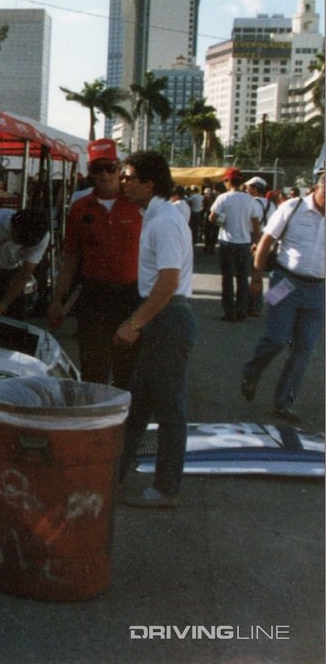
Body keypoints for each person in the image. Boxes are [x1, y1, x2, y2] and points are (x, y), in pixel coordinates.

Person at [115, 151, 196, 509]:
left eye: (129, 177)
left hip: (167, 318)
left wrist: (135, 323)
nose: (123, 183)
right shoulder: (157, 216)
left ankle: (166, 489)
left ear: (149, 184)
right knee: (139, 406)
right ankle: (113, 477)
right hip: (164, 318)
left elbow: (168, 282)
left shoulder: (164, 221)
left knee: (168, 410)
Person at [47, 139, 141, 390]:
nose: (105, 175)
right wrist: (58, 298)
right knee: (93, 372)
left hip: (132, 297)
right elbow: (70, 258)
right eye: (98, 169)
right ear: (89, 171)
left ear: (119, 168)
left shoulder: (139, 204)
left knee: (126, 372)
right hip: (94, 297)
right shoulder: (79, 207)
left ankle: (123, 416)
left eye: (110, 168)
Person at [239, 169, 325, 423]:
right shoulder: (292, 207)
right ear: (318, 188)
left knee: (303, 349)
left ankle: (283, 403)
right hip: (284, 282)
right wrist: (256, 277)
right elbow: (266, 242)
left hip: (318, 290)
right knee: (276, 338)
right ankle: (252, 371)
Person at [0, 205, 50, 318]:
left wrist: (4, 303)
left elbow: (25, 273)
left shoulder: (42, 237)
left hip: (12, 274)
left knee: (13, 315)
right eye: (18, 239)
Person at [208, 168, 262, 321]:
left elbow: (212, 217)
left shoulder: (223, 198)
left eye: (225, 181)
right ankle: (242, 309)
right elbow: (256, 222)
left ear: (228, 181)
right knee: (242, 278)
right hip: (245, 243)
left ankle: (229, 311)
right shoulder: (250, 200)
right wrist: (256, 242)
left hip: (227, 242)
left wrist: (222, 221)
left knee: (227, 278)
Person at [244, 176, 273, 316]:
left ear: (255, 189)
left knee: (251, 272)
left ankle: (252, 305)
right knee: (259, 273)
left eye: (248, 187)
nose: (246, 190)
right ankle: (258, 305)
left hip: (253, 237)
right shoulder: (271, 204)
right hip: (267, 237)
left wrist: (256, 240)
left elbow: (252, 222)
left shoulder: (253, 203)